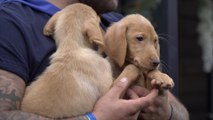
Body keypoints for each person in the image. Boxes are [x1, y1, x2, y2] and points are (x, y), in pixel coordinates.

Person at [0, 0, 189, 120]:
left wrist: (167, 113)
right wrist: (95, 118)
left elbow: (182, 113)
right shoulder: (11, 23)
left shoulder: (117, 23)